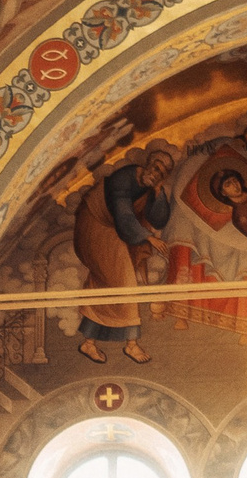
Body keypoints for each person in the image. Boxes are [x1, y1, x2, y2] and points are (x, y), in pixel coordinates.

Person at [73, 147, 173, 365]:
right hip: (95, 223)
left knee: (103, 281)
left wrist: (157, 193)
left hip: (113, 227)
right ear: (148, 163)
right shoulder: (124, 178)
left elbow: (159, 219)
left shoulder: (150, 186)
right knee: (124, 279)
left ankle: (88, 342)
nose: (156, 173)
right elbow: (124, 215)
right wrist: (149, 238)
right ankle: (131, 344)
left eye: (162, 173)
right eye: (156, 167)